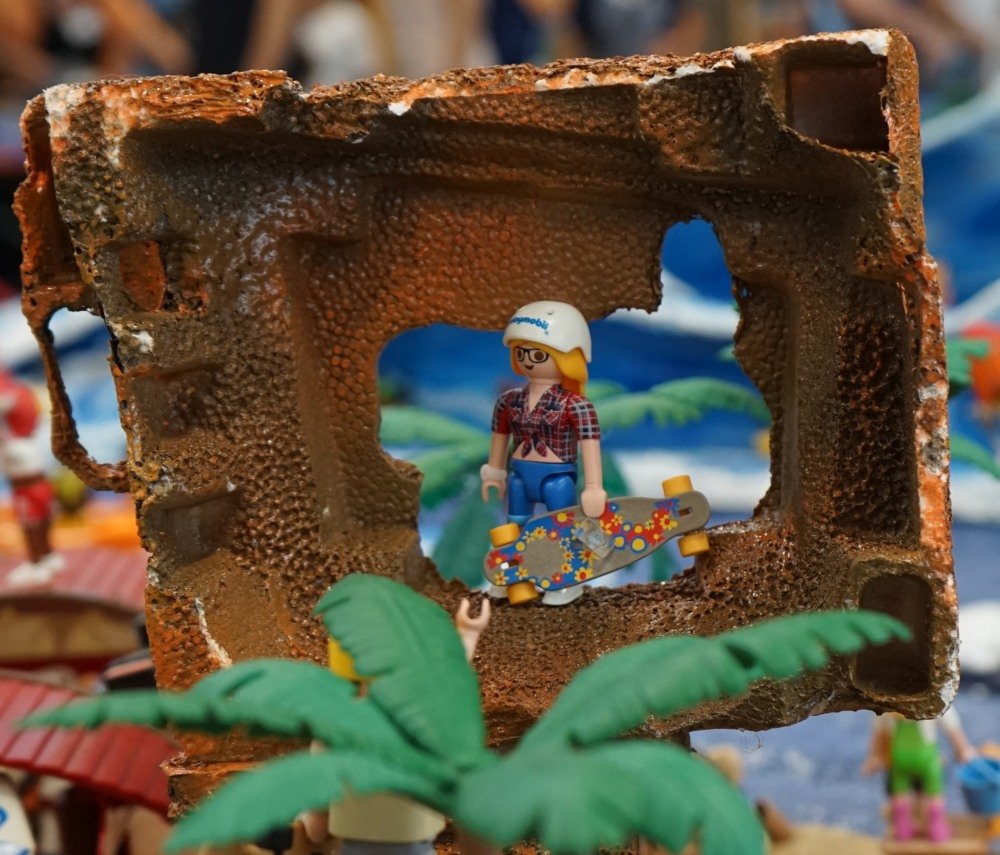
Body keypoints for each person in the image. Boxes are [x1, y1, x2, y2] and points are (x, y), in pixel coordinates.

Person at [481, 301, 606, 605]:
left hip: (557, 477)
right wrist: (494, 472)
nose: (528, 361)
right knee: (515, 527)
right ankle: (513, 577)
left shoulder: (576, 405)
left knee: (561, 530)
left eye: (538, 355)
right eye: (521, 353)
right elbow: (499, 437)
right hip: (520, 476)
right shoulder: (509, 400)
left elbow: (590, 444)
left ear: (568, 358)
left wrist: (593, 487)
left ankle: (565, 582)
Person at [862, 708, 977, 842]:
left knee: (899, 789)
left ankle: (902, 829)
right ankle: (936, 828)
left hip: (899, 756)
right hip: (926, 756)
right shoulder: (932, 703)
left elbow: (879, 732)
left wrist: (875, 756)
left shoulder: (887, 707)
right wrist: (963, 750)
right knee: (934, 790)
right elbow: (951, 726)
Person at [1, 371, 61, 586]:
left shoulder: (8, 396)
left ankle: (37, 563)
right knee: (40, 508)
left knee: (29, 517)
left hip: (18, 458)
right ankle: (47, 555)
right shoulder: (23, 391)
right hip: (29, 449)